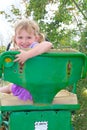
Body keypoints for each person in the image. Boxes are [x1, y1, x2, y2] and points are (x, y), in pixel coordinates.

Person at [0, 19, 52, 101]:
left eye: (29, 37)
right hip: (23, 83)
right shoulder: (18, 50)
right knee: (10, 87)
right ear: (15, 39)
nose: (24, 41)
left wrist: (27, 55)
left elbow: (48, 44)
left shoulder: (34, 46)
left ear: (36, 38)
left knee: (14, 88)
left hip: (33, 87)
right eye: (20, 37)